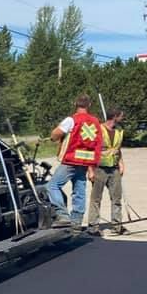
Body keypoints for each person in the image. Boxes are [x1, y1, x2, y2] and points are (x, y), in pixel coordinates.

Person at [47, 94, 102, 229]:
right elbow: (97, 144)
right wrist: (92, 168)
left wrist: (54, 138)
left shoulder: (72, 120)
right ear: (89, 105)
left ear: (75, 104)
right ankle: (76, 221)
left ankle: (63, 215)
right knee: (79, 191)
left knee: (52, 186)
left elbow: (55, 134)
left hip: (70, 160)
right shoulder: (95, 122)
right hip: (85, 162)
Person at [87, 109, 127, 236]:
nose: (123, 117)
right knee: (96, 199)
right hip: (99, 168)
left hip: (114, 168)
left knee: (116, 198)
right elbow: (90, 150)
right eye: (121, 115)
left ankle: (117, 225)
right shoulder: (98, 129)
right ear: (115, 117)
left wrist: (121, 163)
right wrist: (90, 170)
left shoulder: (119, 131)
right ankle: (93, 226)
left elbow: (117, 149)